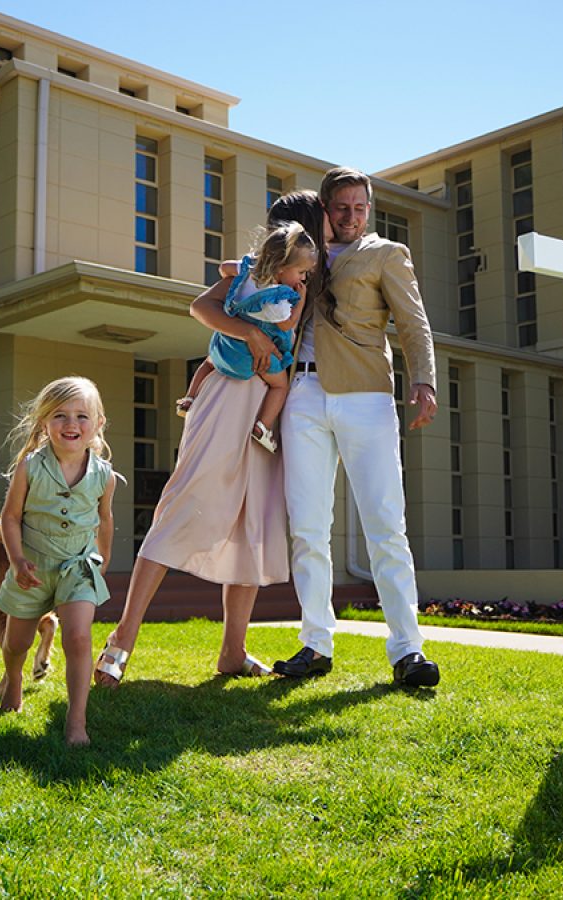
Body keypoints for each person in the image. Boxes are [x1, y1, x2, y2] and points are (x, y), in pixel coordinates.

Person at [191, 167, 441, 688]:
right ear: (324, 211)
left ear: (368, 211)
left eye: (359, 208)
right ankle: (315, 643)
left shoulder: (385, 255)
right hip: (301, 396)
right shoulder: (296, 254)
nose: (350, 217)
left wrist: (424, 382)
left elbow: (414, 323)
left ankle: (408, 650)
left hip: (366, 398)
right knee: (307, 527)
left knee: (385, 524)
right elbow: (242, 288)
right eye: (341, 208)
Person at [94, 192, 330, 687]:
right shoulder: (248, 276)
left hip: (271, 408)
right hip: (228, 394)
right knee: (183, 503)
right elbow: (202, 308)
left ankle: (233, 650)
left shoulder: (314, 279)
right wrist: (252, 335)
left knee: (254, 519)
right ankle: (121, 641)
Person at [0, 376, 119, 746]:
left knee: (80, 639)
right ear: (44, 423)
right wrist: (17, 561)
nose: (71, 424)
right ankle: (14, 679)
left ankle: (76, 722)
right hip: (31, 566)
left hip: (78, 567)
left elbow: (106, 518)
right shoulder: (29, 468)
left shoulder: (104, 476)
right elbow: (10, 517)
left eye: (82, 416)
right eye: (60, 416)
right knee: (16, 643)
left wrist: (103, 559)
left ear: (98, 424)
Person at [177, 220, 317, 452]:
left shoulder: (246, 276)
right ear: (281, 268)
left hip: (225, 347)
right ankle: (263, 426)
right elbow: (286, 325)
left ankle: (190, 397)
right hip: (253, 359)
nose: (302, 279)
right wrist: (300, 304)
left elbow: (224, 267)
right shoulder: (277, 298)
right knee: (280, 386)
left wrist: (248, 267)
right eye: (301, 272)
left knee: (207, 364)